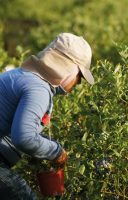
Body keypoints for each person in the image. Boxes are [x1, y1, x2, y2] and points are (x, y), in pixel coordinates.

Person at [0, 33, 94, 199]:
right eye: (79, 78)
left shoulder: (20, 76)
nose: (77, 84)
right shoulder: (39, 89)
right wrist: (57, 152)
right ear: (69, 69)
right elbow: (24, 138)